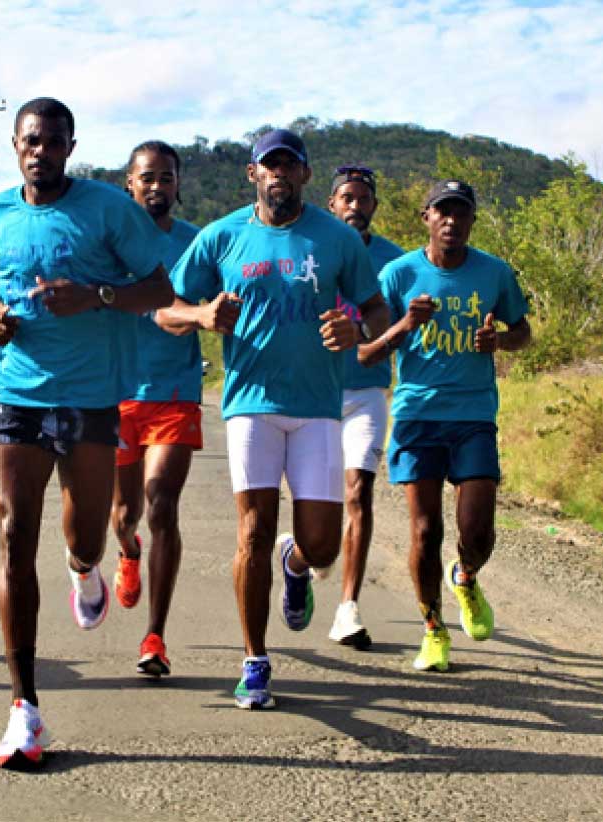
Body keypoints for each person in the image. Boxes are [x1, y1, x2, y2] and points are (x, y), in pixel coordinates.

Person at [0, 97, 174, 768]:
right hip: (15, 396)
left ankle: (84, 571)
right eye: (31, 140)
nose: (42, 151)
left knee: (85, 537)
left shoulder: (110, 211)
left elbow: (158, 288)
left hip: (89, 400)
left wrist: (96, 296)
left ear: (70, 146)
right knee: (11, 536)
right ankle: (24, 710)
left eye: (54, 142)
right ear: (15, 144)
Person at [167, 129, 388, 709]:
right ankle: (255, 661)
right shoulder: (221, 238)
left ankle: (296, 563)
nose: (280, 175)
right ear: (253, 175)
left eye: (290, 166)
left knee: (321, 549)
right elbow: (165, 308)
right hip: (250, 407)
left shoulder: (337, 238)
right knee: (251, 533)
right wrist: (201, 314)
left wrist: (358, 331)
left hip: (318, 408)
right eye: (270, 166)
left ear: (305, 177)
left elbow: (376, 308)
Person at [358, 179, 531, 672]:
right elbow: (368, 353)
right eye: (443, 211)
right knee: (424, 530)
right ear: (426, 217)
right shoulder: (397, 274)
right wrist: (405, 326)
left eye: (461, 213)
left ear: (472, 221)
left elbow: (524, 333)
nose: (452, 220)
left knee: (477, 530)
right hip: (417, 416)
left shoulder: (495, 273)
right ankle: (433, 628)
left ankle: (467, 576)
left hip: (474, 415)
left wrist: (500, 341)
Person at [108, 141, 202, 678]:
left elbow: (215, 301)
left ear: (177, 183)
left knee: (161, 501)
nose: (157, 186)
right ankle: (126, 550)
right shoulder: (111, 241)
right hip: (117, 390)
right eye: (147, 178)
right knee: (123, 515)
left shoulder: (195, 243)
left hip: (175, 391)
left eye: (166, 177)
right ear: (130, 183)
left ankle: (155, 637)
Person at [322, 164, 404, 650]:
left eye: (363, 199)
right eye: (346, 198)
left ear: (373, 206)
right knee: (321, 508)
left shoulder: (393, 262)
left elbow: (398, 327)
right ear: (332, 204)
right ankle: (304, 553)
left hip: (368, 392)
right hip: (315, 395)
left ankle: (347, 607)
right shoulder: (314, 248)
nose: (354, 206)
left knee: (359, 493)